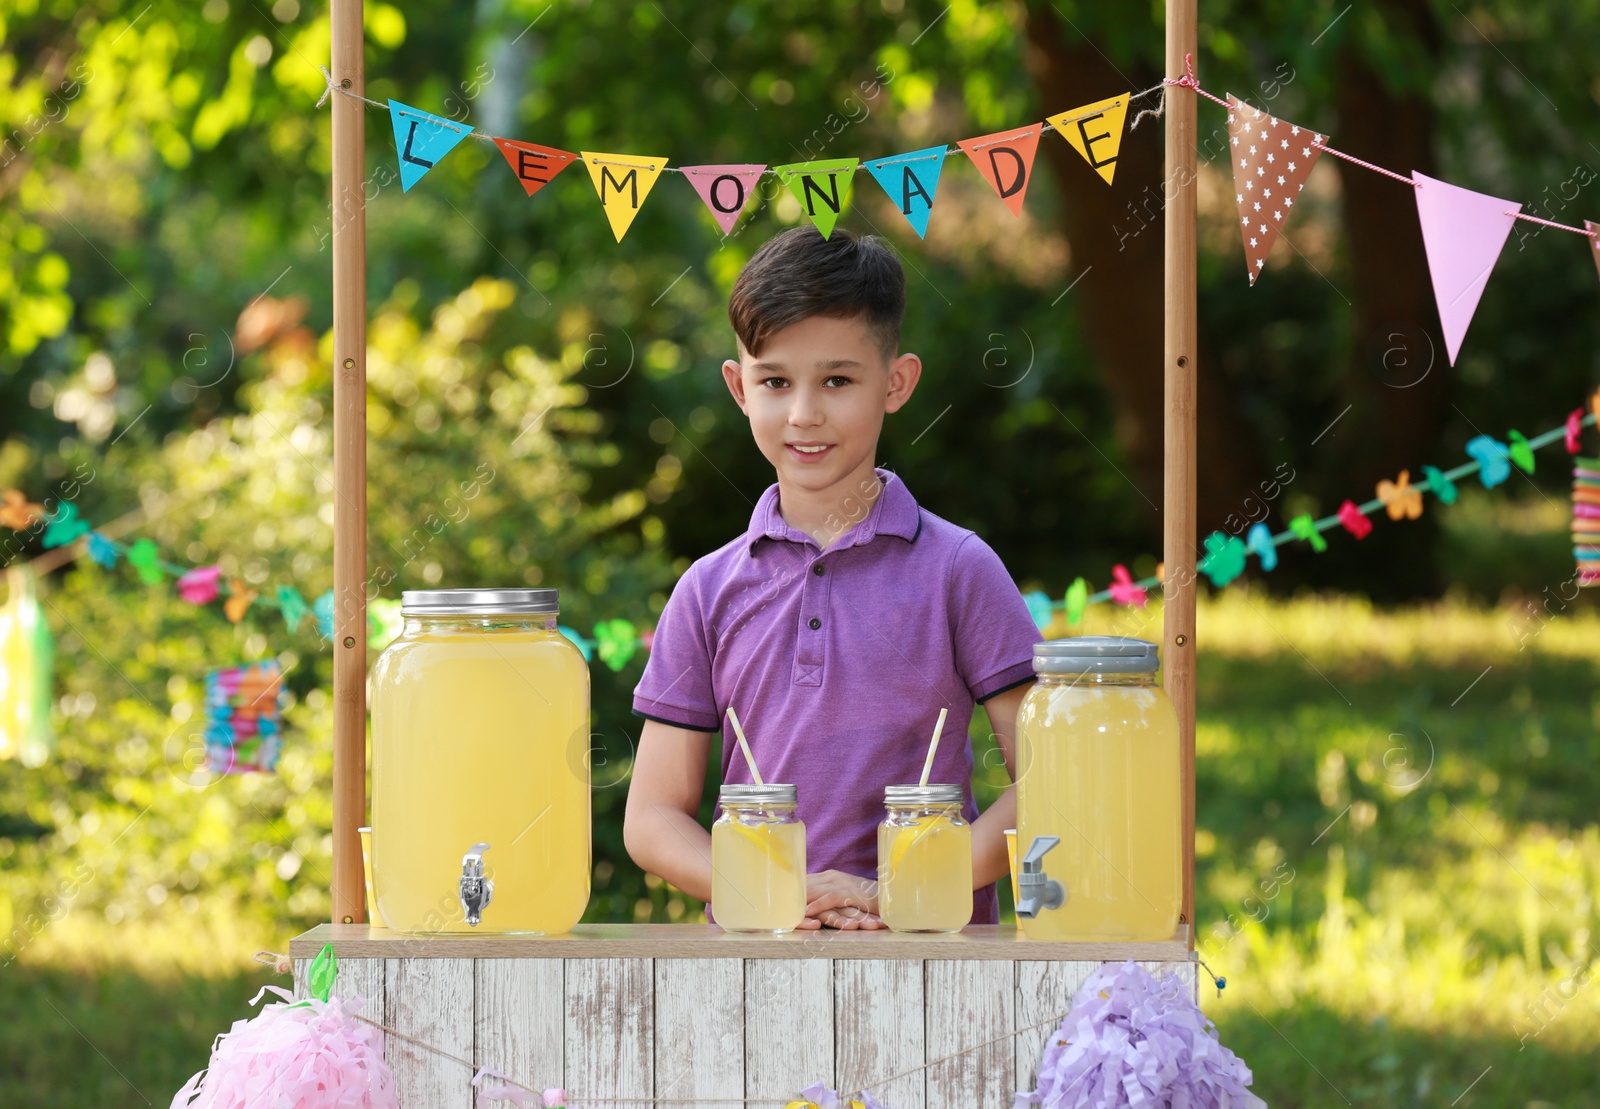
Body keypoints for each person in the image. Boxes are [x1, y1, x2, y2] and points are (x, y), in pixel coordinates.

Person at [623, 225, 1041, 929]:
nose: (804, 413)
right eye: (776, 381)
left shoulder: (959, 570)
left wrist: (906, 888)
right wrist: (774, 891)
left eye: (838, 380)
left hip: (932, 961)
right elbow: (653, 817)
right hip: (754, 968)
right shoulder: (706, 588)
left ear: (897, 383)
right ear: (738, 386)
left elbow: (1046, 784)